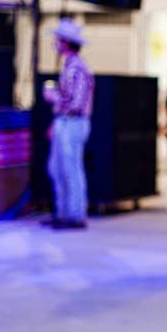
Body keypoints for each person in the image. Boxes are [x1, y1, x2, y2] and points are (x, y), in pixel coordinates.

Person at [44, 17, 95, 230]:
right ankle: (63, 211)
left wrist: (53, 97)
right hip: (65, 121)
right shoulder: (69, 67)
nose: (55, 42)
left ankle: (75, 214)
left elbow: (76, 102)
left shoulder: (77, 69)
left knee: (70, 168)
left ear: (65, 42)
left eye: (58, 39)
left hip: (73, 122)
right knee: (57, 167)